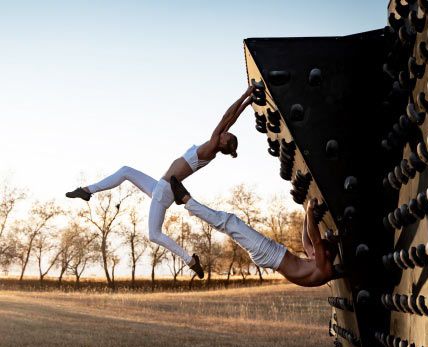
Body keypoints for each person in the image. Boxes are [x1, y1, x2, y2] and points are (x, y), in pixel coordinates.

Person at [65, 86, 255, 279]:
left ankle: (190, 261)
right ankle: (86, 191)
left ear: (222, 143)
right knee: (126, 171)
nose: (224, 133)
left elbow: (227, 117)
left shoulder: (212, 146)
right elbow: (231, 120)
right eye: (225, 133)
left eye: (226, 135)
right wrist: (247, 104)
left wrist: (246, 95)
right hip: (160, 186)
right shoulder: (214, 144)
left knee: (154, 234)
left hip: (165, 191)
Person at [170, 176, 338, 287]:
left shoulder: (325, 269)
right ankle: (190, 206)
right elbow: (307, 242)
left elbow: (315, 241)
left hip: (268, 253)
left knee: (230, 222)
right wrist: (306, 218)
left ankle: (186, 200)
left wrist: (309, 211)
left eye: (321, 248)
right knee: (229, 225)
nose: (314, 251)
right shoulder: (319, 263)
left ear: (327, 253)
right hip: (269, 253)